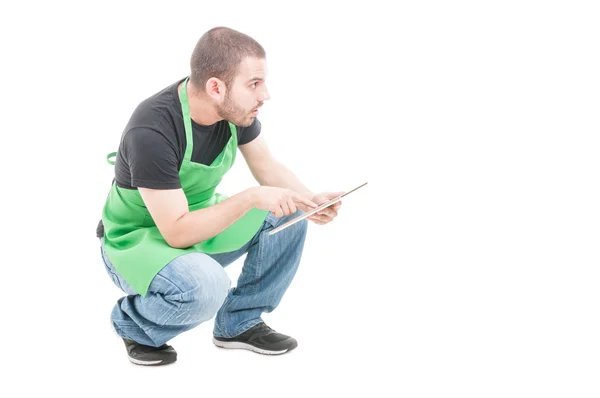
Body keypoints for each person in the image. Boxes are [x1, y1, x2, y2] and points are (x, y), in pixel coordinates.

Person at [97, 26, 344, 366]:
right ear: (216, 87)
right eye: (254, 84)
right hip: (138, 240)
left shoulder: (235, 111)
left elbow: (267, 168)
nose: (265, 95)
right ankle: (133, 323)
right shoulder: (152, 130)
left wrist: (310, 201)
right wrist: (250, 198)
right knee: (207, 286)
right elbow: (177, 232)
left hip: (198, 220)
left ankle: (238, 324)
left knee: (289, 212)